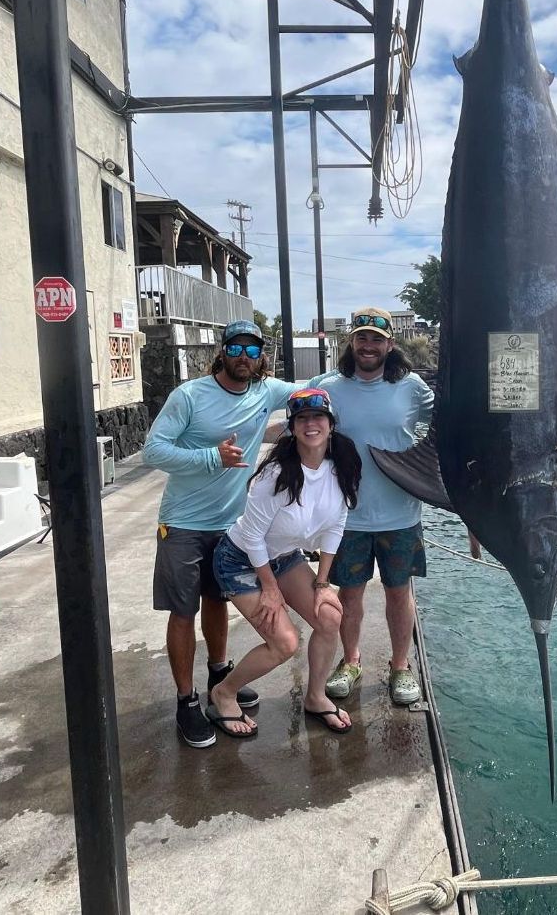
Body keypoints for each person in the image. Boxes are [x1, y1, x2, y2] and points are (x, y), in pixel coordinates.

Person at [143, 320, 296, 748]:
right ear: (223, 350)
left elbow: (315, 388)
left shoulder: (266, 392)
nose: (244, 357)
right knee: (182, 611)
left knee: (217, 601)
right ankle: (185, 701)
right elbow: (154, 450)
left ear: (261, 355)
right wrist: (212, 456)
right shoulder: (190, 395)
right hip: (183, 524)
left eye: (253, 350)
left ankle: (217, 674)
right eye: (237, 348)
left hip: (229, 526)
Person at [207, 387, 362, 737]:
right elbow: (251, 537)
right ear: (292, 428)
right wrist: (270, 588)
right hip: (241, 560)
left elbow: (337, 525)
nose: (311, 425)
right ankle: (224, 692)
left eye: (318, 417)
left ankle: (316, 696)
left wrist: (322, 584)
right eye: (302, 419)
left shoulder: (342, 467)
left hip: (283, 557)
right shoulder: (276, 475)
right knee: (284, 643)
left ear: (331, 424)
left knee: (329, 616)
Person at [311, 308, 434, 706]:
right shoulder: (328, 386)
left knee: (400, 594)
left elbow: (453, 426)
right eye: (362, 338)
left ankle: (401, 667)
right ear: (351, 343)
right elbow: (301, 427)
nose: (368, 346)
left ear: (390, 345)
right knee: (350, 595)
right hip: (346, 516)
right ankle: (350, 660)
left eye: (377, 339)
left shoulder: (413, 387)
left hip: (401, 514)